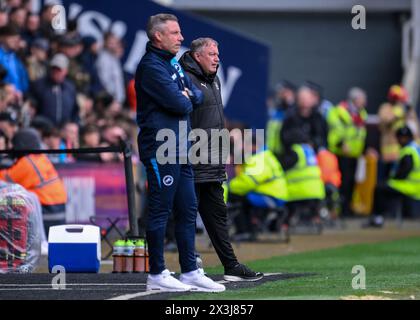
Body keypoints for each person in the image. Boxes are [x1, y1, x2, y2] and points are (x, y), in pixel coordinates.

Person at [135, 13, 224, 292]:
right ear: (158, 36)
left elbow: (195, 97)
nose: (181, 37)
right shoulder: (151, 66)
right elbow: (181, 103)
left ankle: (189, 270)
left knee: (188, 210)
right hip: (161, 148)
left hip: (182, 147)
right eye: (174, 33)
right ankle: (157, 273)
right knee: (160, 211)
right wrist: (184, 97)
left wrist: (186, 96)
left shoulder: (171, 63)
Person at [179, 37, 263, 281]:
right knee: (180, 215)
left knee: (217, 216)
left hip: (212, 163)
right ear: (197, 56)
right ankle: (182, 267)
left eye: (218, 53)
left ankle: (231, 266)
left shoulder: (213, 80)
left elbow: (214, 121)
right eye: (212, 54)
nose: (217, 58)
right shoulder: (186, 79)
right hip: (191, 161)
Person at [0, 128, 67, 236]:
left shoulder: (27, 163)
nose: (12, 148)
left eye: (14, 145)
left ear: (20, 145)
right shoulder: (40, 157)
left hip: (47, 207)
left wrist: (5, 160)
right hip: (58, 206)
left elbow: (4, 179)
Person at [366, 127, 420, 227]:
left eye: (401, 138)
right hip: (415, 185)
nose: (399, 141)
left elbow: (404, 171)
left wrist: (393, 178)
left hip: (411, 186)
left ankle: (378, 218)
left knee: (380, 188)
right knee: (385, 187)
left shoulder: (408, 151)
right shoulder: (416, 148)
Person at [327, 87, 368, 216]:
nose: (364, 102)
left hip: (354, 154)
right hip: (340, 153)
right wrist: (340, 144)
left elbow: (361, 134)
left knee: (351, 182)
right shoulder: (339, 112)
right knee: (341, 182)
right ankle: (337, 209)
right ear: (354, 99)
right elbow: (335, 131)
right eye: (362, 99)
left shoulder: (361, 114)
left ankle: (347, 209)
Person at [378, 84, 420, 180]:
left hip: (409, 153)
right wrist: (399, 113)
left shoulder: (408, 110)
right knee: (388, 178)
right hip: (391, 155)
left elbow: (415, 129)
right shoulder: (386, 108)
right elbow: (385, 123)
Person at [30, 53, 79, 126]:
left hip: (64, 129)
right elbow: (32, 107)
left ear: (65, 71)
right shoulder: (39, 85)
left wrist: (73, 123)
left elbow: (75, 110)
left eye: (59, 69)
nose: (55, 72)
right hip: (43, 129)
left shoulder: (70, 88)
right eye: (53, 68)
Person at [280, 83, 328, 152]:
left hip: (314, 153)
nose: (304, 101)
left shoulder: (318, 118)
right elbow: (286, 137)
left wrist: (313, 144)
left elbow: (322, 138)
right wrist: (304, 142)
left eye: (307, 98)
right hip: (294, 153)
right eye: (302, 98)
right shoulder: (290, 116)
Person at [266, 80, 296, 156]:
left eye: (285, 92)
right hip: (271, 152)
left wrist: (291, 102)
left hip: (287, 153)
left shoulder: (295, 111)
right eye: (280, 92)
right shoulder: (276, 112)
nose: (282, 95)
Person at [96, 32, 126, 104]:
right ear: (105, 43)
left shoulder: (114, 58)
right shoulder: (103, 59)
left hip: (117, 102)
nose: (114, 45)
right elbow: (104, 81)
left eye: (115, 43)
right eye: (110, 43)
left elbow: (118, 82)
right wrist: (113, 100)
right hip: (109, 101)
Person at [0, 24, 29, 95]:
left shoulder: (17, 56)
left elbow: (24, 80)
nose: (15, 41)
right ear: (2, 38)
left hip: (18, 97)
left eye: (17, 39)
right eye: (12, 37)